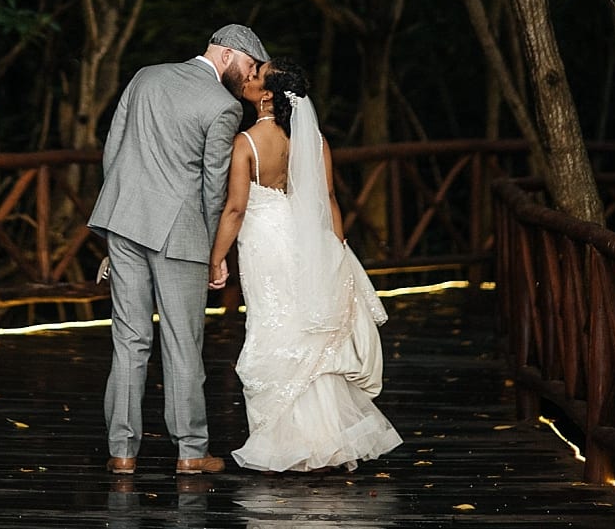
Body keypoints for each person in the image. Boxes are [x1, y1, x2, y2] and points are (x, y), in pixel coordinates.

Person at [207, 59, 401, 472]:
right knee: (307, 333)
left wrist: (216, 256)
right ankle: (324, 439)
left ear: (267, 96)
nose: (250, 77)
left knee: (274, 327)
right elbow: (329, 198)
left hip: (265, 245)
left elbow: (236, 208)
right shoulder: (314, 141)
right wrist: (336, 250)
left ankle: (284, 441)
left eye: (256, 75)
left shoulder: (247, 143)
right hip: (308, 241)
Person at [87, 24, 264, 475]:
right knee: (183, 345)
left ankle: (122, 452)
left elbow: (114, 150)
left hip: (124, 222)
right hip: (179, 233)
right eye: (247, 68)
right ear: (227, 54)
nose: (248, 80)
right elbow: (212, 187)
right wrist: (212, 253)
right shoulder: (223, 106)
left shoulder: (145, 76)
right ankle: (190, 452)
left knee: (128, 342)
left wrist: (117, 214)